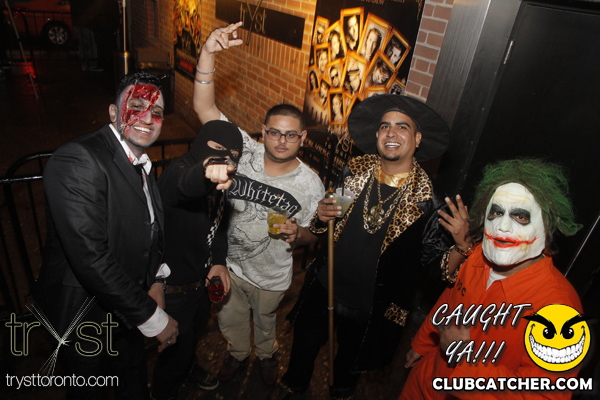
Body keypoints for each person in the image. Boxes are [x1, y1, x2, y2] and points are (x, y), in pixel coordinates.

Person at [268, 94, 469, 400]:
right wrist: (323, 215)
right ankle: (293, 385)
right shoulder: (355, 171)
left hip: (372, 306)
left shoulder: (429, 201)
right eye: (385, 126)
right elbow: (326, 224)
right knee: (303, 346)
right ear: (377, 135)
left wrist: (461, 246)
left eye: (402, 127)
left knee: (348, 366)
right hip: (325, 285)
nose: (391, 133)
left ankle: (341, 393)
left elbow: (436, 267)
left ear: (417, 139)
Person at [193, 22, 325, 386]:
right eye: (274, 132)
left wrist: (299, 234)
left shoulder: (310, 184)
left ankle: (267, 355)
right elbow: (204, 107)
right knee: (230, 320)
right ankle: (237, 355)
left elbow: (314, 233)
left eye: (290, 135)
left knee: (266, 323)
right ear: (263, 132)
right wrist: (208, 53)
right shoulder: (244, 151)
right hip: (230, 267)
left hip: (272, 276)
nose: (281, 140)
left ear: (302, 138)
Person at [34, 71, 179, 398]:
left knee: (133, 383)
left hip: (126, 313)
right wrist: (153, 318)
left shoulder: (140, 161)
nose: (148, 118)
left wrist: (156, 280)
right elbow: (91, 259)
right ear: (114, 112)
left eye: (157, 112)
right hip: (86, 319)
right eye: (136, 106)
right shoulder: (79, 158)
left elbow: (149, 231)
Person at [399, 159, 584, 400]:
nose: (503, 226)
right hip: (425, 382)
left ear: (546, 226)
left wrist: (465, 359)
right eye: (496, 212)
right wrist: (422, 343)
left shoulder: (560, 308)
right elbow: (449, 301)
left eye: (520, 216)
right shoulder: (477, 256)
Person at [150, 120, 243, 399]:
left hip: (200, 287)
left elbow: (219, 223)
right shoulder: (175, 173)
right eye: (216, 148)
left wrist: (218, 261)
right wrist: (205, 172)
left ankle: (188, 368)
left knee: (194, 337)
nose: (225, 157)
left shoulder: (221, 184)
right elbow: (182, 185)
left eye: (232, 154)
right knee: (174, 355)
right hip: (173, 290)